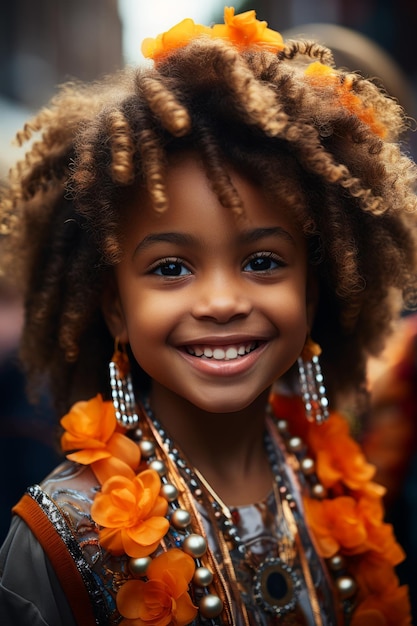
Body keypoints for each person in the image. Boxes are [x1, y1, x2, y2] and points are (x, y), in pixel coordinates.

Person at [0, 6, 415, 625]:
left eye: (264, 261)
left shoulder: (339, 487)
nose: (222, 302)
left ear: (313, 291)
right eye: (171, 268)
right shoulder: (58, 539)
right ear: (115, 306)